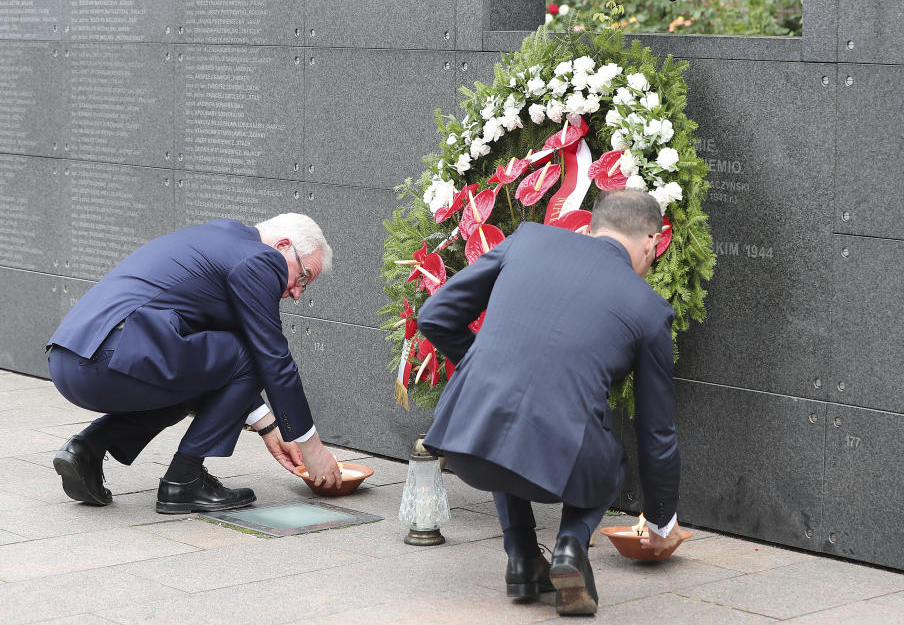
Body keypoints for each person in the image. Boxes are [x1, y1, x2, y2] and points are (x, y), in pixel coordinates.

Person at [417, 190, 684, 617]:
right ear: (652, 242)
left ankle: (522, 558)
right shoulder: (649, 309)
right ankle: (570, 547)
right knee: (612, 457)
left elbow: (433, 315)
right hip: (565, 465)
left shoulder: (527, 239)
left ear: (594, 227)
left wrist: (484, 376)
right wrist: (660, 523)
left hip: (466, 444)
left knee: (509, 427)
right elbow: (656, 432)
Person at [46, 213, 344, 514]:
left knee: (205, 370)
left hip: (71, 359)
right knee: (256, 352)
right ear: (282, 247)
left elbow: (216, 367)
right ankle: (184, 479)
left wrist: (268, 427)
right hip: (114, 357)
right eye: (303, 278)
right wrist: (312, 448)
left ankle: (88, 449)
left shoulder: (223, 241)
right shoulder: (260, 260)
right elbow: (271, 358)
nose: (296, 293)